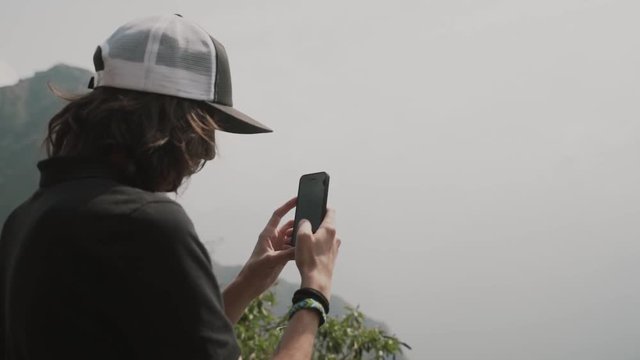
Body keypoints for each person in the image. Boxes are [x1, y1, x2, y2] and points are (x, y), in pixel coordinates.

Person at [0, 14, 340, 360]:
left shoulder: (26, 218)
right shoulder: (145, 223)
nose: (205, 152)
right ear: (176, 126)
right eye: (205, 130)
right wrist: (314, 292)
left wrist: (250, 280)